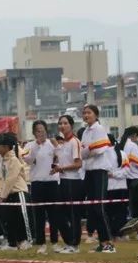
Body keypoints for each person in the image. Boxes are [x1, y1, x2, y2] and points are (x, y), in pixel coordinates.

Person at [23, 120, 69, 253]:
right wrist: (36, 146)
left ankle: (55, 242)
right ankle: (41, 244)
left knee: (54, 214)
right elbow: (28, 160)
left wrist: (57, 147)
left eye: (43, 130)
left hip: (52, 183)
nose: (41, 133)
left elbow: (62, 157)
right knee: (39, 215)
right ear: (34, 132)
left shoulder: (52, 143)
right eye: (38, 131)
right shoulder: (29, 145)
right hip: (37, 183)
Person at [80, 104, 116, 253]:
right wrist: (89, 149)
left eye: (88, 112)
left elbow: (100, 149)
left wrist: (89, 150)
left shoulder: (99, 129)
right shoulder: (85, 132)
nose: (86, 115)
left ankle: (109, 243)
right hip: (89, 171)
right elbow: (82, 153)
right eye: (84, 113)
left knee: (99, 207)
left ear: (96, 114)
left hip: (99, 171)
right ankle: (102, 242)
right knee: (93, 208)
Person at [0, 133, 32, 250]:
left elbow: (10, 180)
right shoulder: (3, 160)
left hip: (19, 193)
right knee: (10, 219)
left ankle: (26, 241)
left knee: (22, 218)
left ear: (7, 147)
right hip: (8, 195)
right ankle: (12, 243)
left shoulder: (14, 160)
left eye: (0, 145)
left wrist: (1, 197)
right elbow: (0, 179)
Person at [52, 115, 84, 253]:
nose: (62, 126)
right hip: (63, 180)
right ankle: (68, 241)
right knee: (57, 212)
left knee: (73, 214)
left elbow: (78, 164)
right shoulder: (62, 144)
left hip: (73, 181)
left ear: (71, 125)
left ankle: (74, 244)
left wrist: (61, 169)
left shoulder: (74, 142)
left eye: (65, 123)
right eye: (60, 123)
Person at [106, 134, 129, 241]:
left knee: (110, 213)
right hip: (121, 188)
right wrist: (116, 174)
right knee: (121, 212)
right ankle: (119, 234)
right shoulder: (122, 153)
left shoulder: (105, 154)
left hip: (109, 189)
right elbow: (126, 172)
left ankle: (114, 233)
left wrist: (112, 174)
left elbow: (126, 172)